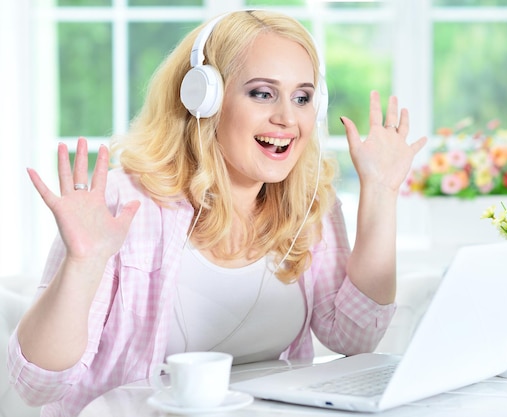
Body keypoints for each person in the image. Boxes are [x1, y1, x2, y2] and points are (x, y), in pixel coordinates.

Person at [7, 9, 426, 417]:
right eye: (262, 93)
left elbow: (354, 335)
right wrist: (82, 264)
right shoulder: (124, 203)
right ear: (203, 96)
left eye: (302, 97)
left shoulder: (308, 204)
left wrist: (381, 192)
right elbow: (37, 386)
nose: (286, 118)